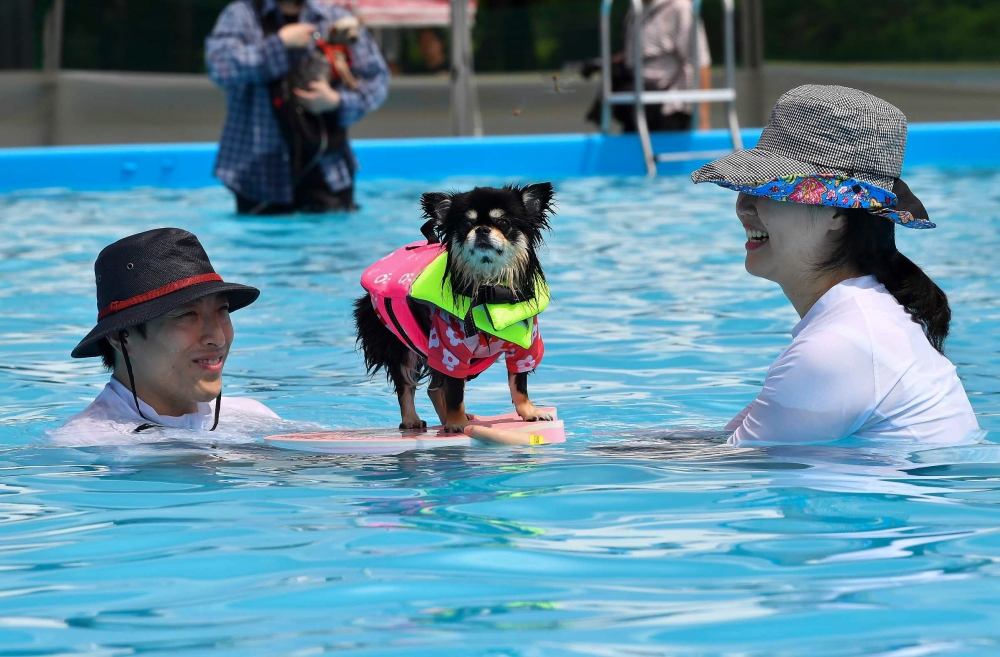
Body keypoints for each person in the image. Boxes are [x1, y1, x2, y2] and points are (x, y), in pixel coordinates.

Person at [691, 85, 979, 445]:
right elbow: (724, 446)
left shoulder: (839, 346)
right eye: (748, 186)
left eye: (769, 190)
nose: (744, 206)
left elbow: (727, 469)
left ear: (837, 212)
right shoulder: (859, 320)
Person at [53, 228, 279, 446]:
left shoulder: (254, 416)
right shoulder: (85, 443)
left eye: (223, 310)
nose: (218, 338)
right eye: (188, 314)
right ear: (120, 337)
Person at [205, 0, 389, 215]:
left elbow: (376, 80)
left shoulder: (335, 18)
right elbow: (219, 68)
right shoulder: (240, 16)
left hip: (328, 171)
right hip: (258, 175)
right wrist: (279, 45)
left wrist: (337, 101)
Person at [586, 0, 711, 132]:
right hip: (638, 105)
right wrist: (603, 63)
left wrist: (703, 120)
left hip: (670, 109)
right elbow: (636, 56)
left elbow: (700, 61)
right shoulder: (635, 9)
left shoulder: (679, 7)